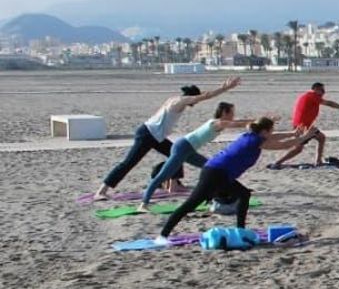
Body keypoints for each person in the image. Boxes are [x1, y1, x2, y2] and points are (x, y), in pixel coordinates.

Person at [156, 117, 309, 245]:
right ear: (264, 131)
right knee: (189, 205)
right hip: (214, 173)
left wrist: (293, 133)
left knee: (244, 194)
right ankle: (162, 237)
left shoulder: (252, 136)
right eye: (271, 130)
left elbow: (274, 138)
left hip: (220, 173)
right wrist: (304, 137)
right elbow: (282, 145)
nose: (272, 133)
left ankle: (240, 230)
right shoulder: (255, 141)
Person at [94, 77, 242, 199]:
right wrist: (225, 88)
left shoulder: (178, 99)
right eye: (194, 100)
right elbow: (206, 96)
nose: (195, 103)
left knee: (177, 154)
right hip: (147, 134)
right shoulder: (179, 101)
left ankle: (174, 185)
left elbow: (202, 95)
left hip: (157, 136)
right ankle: (101, 191)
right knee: (129, 163)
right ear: (190, 98)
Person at [139, 102, 255, 211]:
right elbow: (238, 123)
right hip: (182, 147)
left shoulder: (218, 122)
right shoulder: (217, 122)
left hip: (188, 149)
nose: (233, 116)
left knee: (213, 170)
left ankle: (223, 194)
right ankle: (143, 204)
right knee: (162, 176)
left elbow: (238, 122)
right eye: (231, 113)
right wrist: (257, 122)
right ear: (225, 113)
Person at [271, 82, 339, 167]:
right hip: (302, 127)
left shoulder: (309, 96)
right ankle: (278, 163)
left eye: (324, 90)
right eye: (321, 90)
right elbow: (330, 104)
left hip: (304, 126)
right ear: (315, 89)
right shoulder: (312, 96)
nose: (323, 92)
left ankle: (318, 161)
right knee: (298, 149)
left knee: (320, 138)